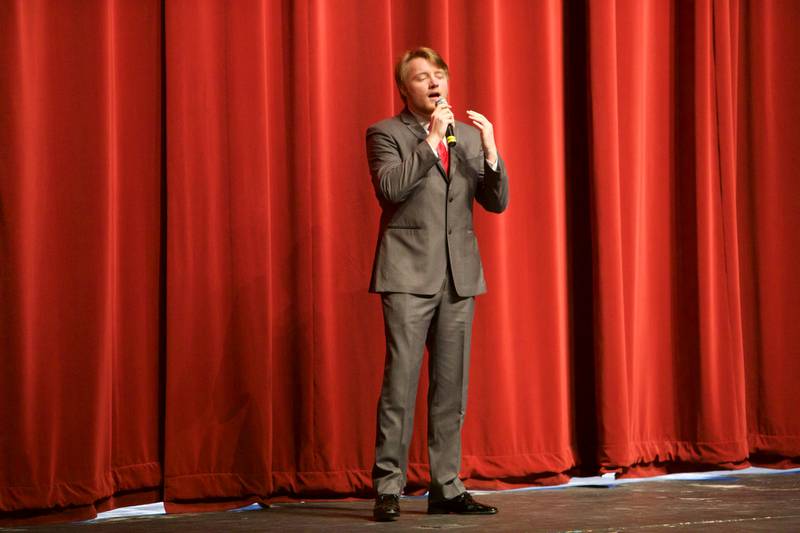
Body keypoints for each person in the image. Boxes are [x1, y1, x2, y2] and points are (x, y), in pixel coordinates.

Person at [366, 46, 509, 522]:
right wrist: (430, 144)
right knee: (400, 385)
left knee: (451, 389)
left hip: (458, 276)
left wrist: (489, 152)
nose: (434, 83)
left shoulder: (465, 136)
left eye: (439, 75)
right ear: (403, 88)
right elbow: (390, 190)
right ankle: (389, 486)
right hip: (407, 275)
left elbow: (496, 202)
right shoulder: (386, 133)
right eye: (422, 77)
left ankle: (445, 487)